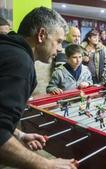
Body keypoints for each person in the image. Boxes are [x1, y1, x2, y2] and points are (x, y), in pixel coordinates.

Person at [0, 7, 78, 169]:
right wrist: (46, 164)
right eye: (58, 41)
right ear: (41, 35)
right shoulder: (19, 62)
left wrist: (19, 134)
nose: (60, 49)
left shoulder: (7, 49)